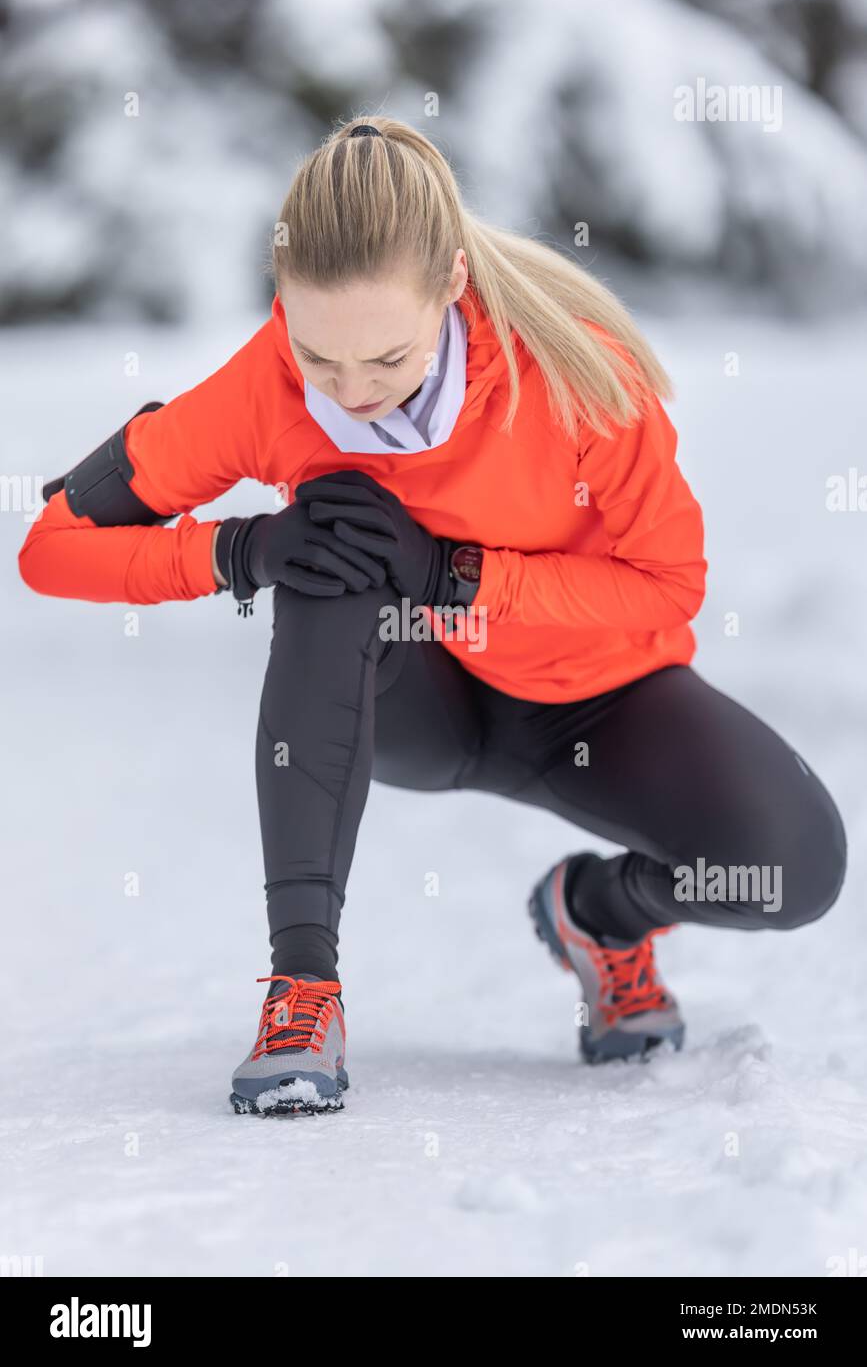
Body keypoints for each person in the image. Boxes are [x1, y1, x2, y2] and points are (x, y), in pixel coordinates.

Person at [19, 116, 847, 1114]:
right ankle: (303, 990)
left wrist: (459, 574)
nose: (352, 393)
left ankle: (598, 915)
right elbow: (49, 549)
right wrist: (241, 550)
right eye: (320, 355)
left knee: (793, 871)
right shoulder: (267, 381)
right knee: (334, 541)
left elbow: (669, 586)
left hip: (597, 701)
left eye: (387, 359)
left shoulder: (578, 380)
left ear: (453, 285)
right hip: (423, 708)